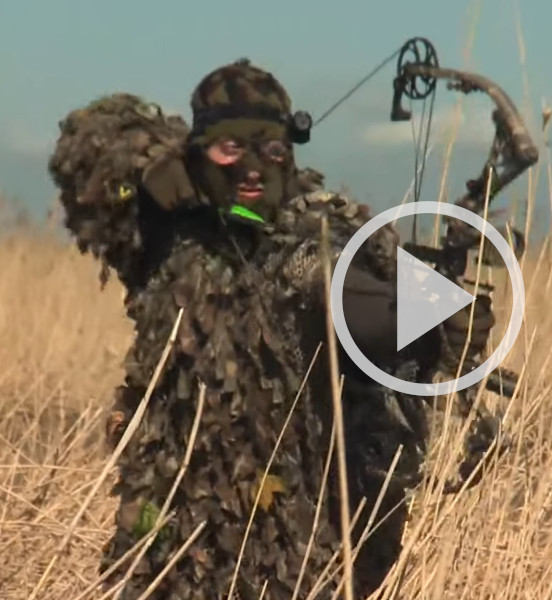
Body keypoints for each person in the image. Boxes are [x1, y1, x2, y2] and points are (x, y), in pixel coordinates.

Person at [48, 58, 496, 600]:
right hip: (166, 521)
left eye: (273, 151)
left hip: (285, 541)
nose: (253, 168)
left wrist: (435, 324)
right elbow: (88, 146)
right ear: (195, 151)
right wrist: (155, 166)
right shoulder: (162, 230)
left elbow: (362, 308)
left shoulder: (317, 235)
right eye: (231, 150)